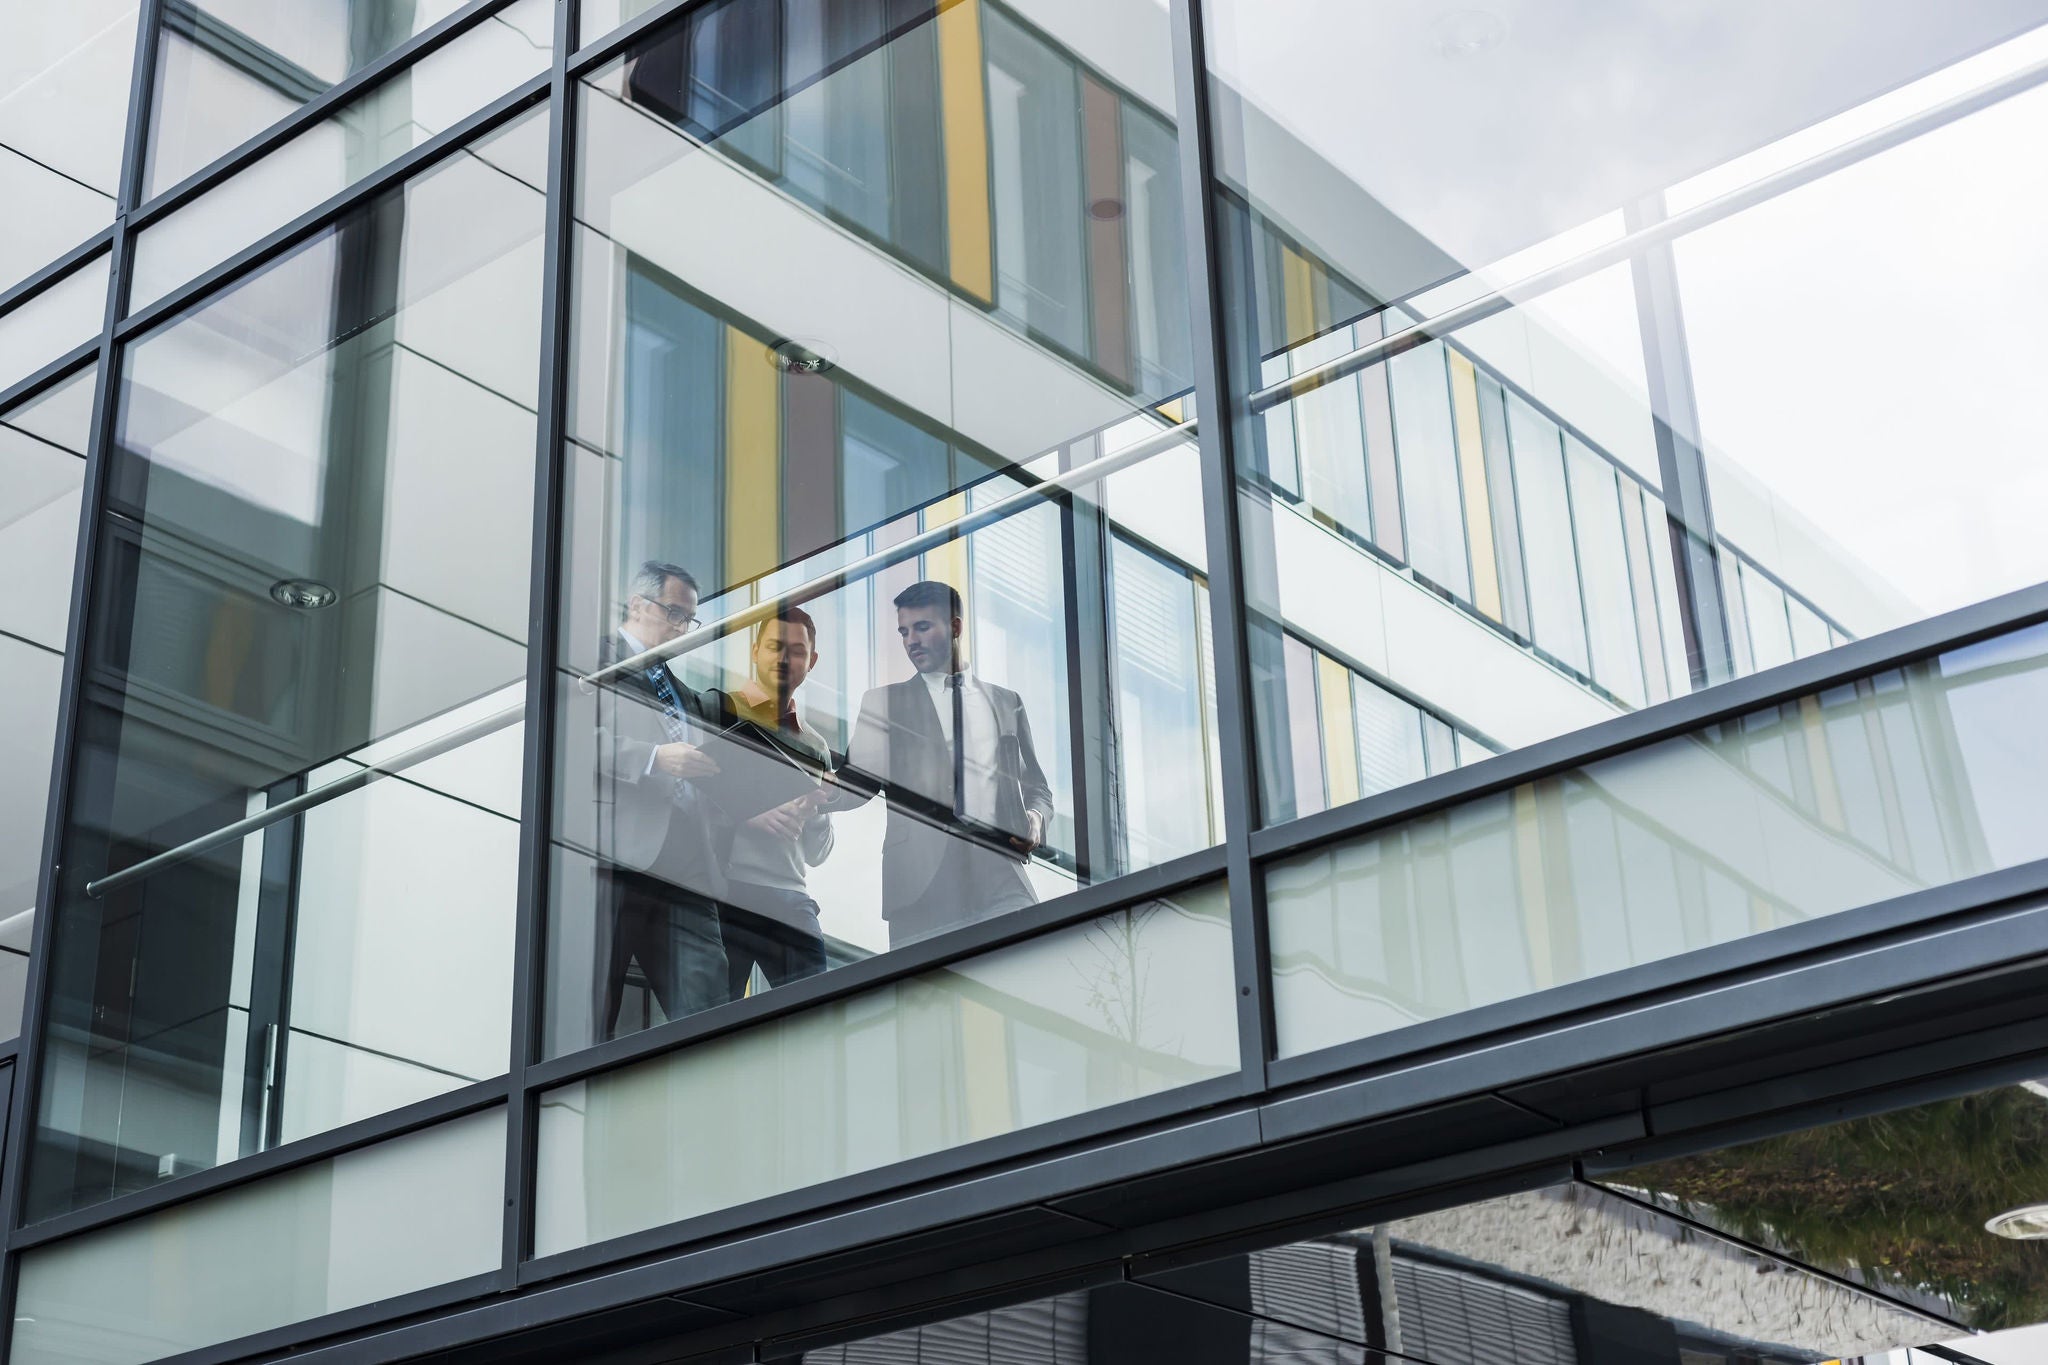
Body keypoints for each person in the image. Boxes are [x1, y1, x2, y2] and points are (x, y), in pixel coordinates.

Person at [838, 580, 1055, 947]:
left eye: (922, 627)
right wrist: (804, 787)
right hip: (921, 879)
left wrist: (1035, 820)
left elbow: (1038, 789)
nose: (911, 641)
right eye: (904, 632)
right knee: (926, 999)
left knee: (1027, 968)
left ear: (955, 627)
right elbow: (856, 782)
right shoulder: (885, 703)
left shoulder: (1006, 702)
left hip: (999, 868)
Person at [590, 560, 730, 1039]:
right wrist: (653, 758)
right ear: (636, 604)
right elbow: (568, 741)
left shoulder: (683, 692)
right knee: (592, 1005)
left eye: (687, 619)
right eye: (673, 613)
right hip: (617, 855)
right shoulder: (594, 659)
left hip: (689, 858)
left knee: (709, 1006)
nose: (679, 628)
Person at [703, 606, 836, 997]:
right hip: (727, 889)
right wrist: (748, 816)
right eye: (775, 646)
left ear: (810, 662)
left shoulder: (816, 744)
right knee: (712, 1022)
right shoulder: (719, 709)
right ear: (756, 650)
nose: (783, 658)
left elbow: (818, 854)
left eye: (795, 651)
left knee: (818, 1016)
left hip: (790, 894)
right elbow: (690, 795)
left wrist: (815, 809)